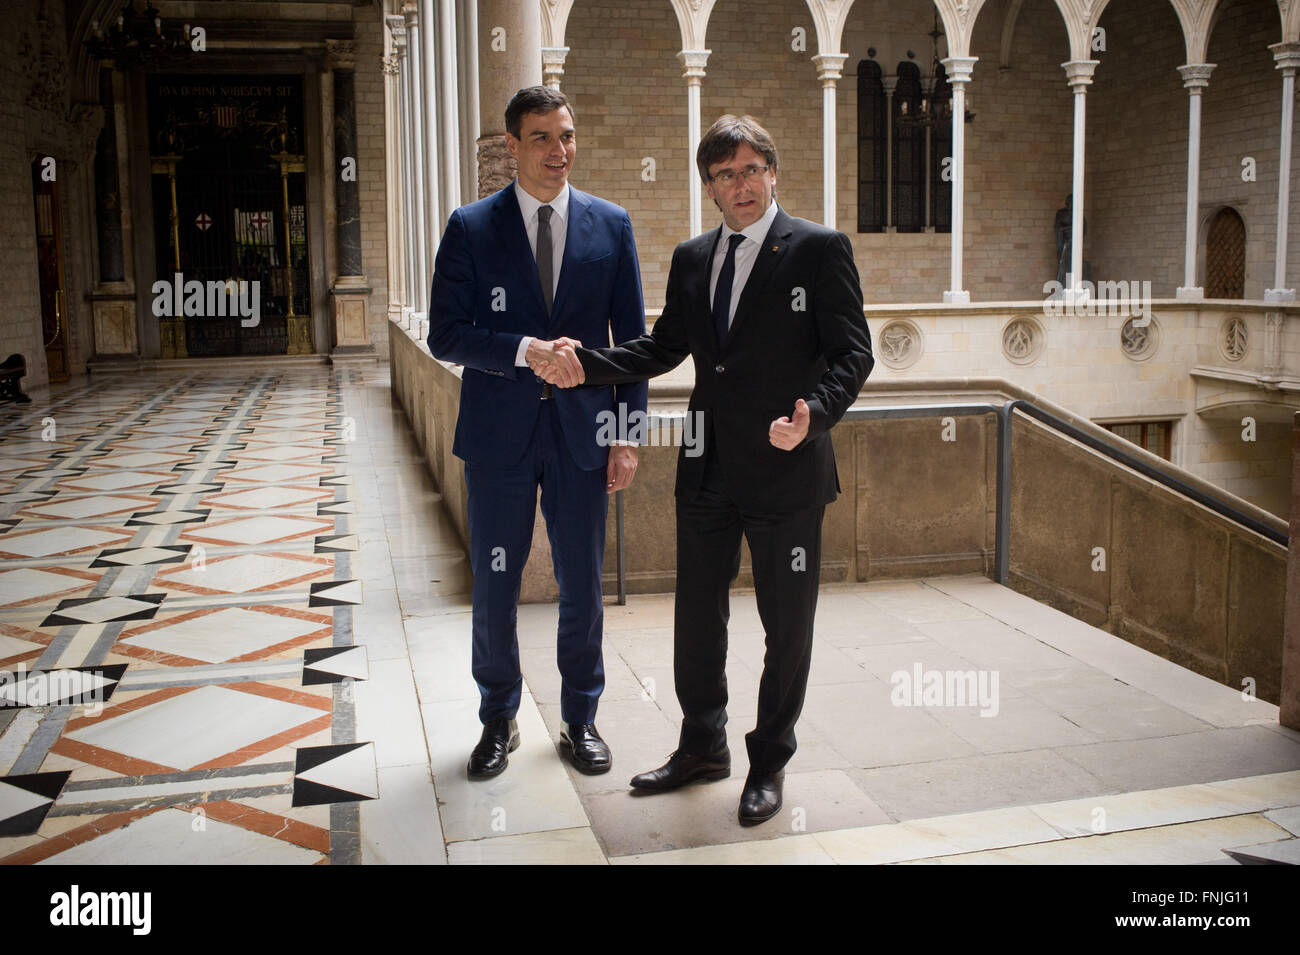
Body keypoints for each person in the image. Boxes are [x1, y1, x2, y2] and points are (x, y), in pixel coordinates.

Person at [532, 115, 873, 825]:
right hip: (708, 466)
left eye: (751, 170)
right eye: (724, 175)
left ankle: (769, 760)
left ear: (772, 172)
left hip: (786, 468)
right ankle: (702, 745)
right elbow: (660, 350)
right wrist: (582, 364)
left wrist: (817, 408)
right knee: (696, 621)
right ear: (709, 187)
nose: (740, 185)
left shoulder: (817, 249)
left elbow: (854, 352)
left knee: (788, 626)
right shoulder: (693, 258)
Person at [427, 86, 648, 780]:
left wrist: (627, 433)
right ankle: (499, 717)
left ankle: (581, 717)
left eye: (568, 136)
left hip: (584, 435)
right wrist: (526, 349)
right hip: (499, 437)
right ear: (514, 146)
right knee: (496, 582)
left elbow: (634, 342)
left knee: (582, 579)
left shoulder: (611, 226)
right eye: (544, 138)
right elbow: (446, 333)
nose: (560, 151)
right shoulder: (470, 227)